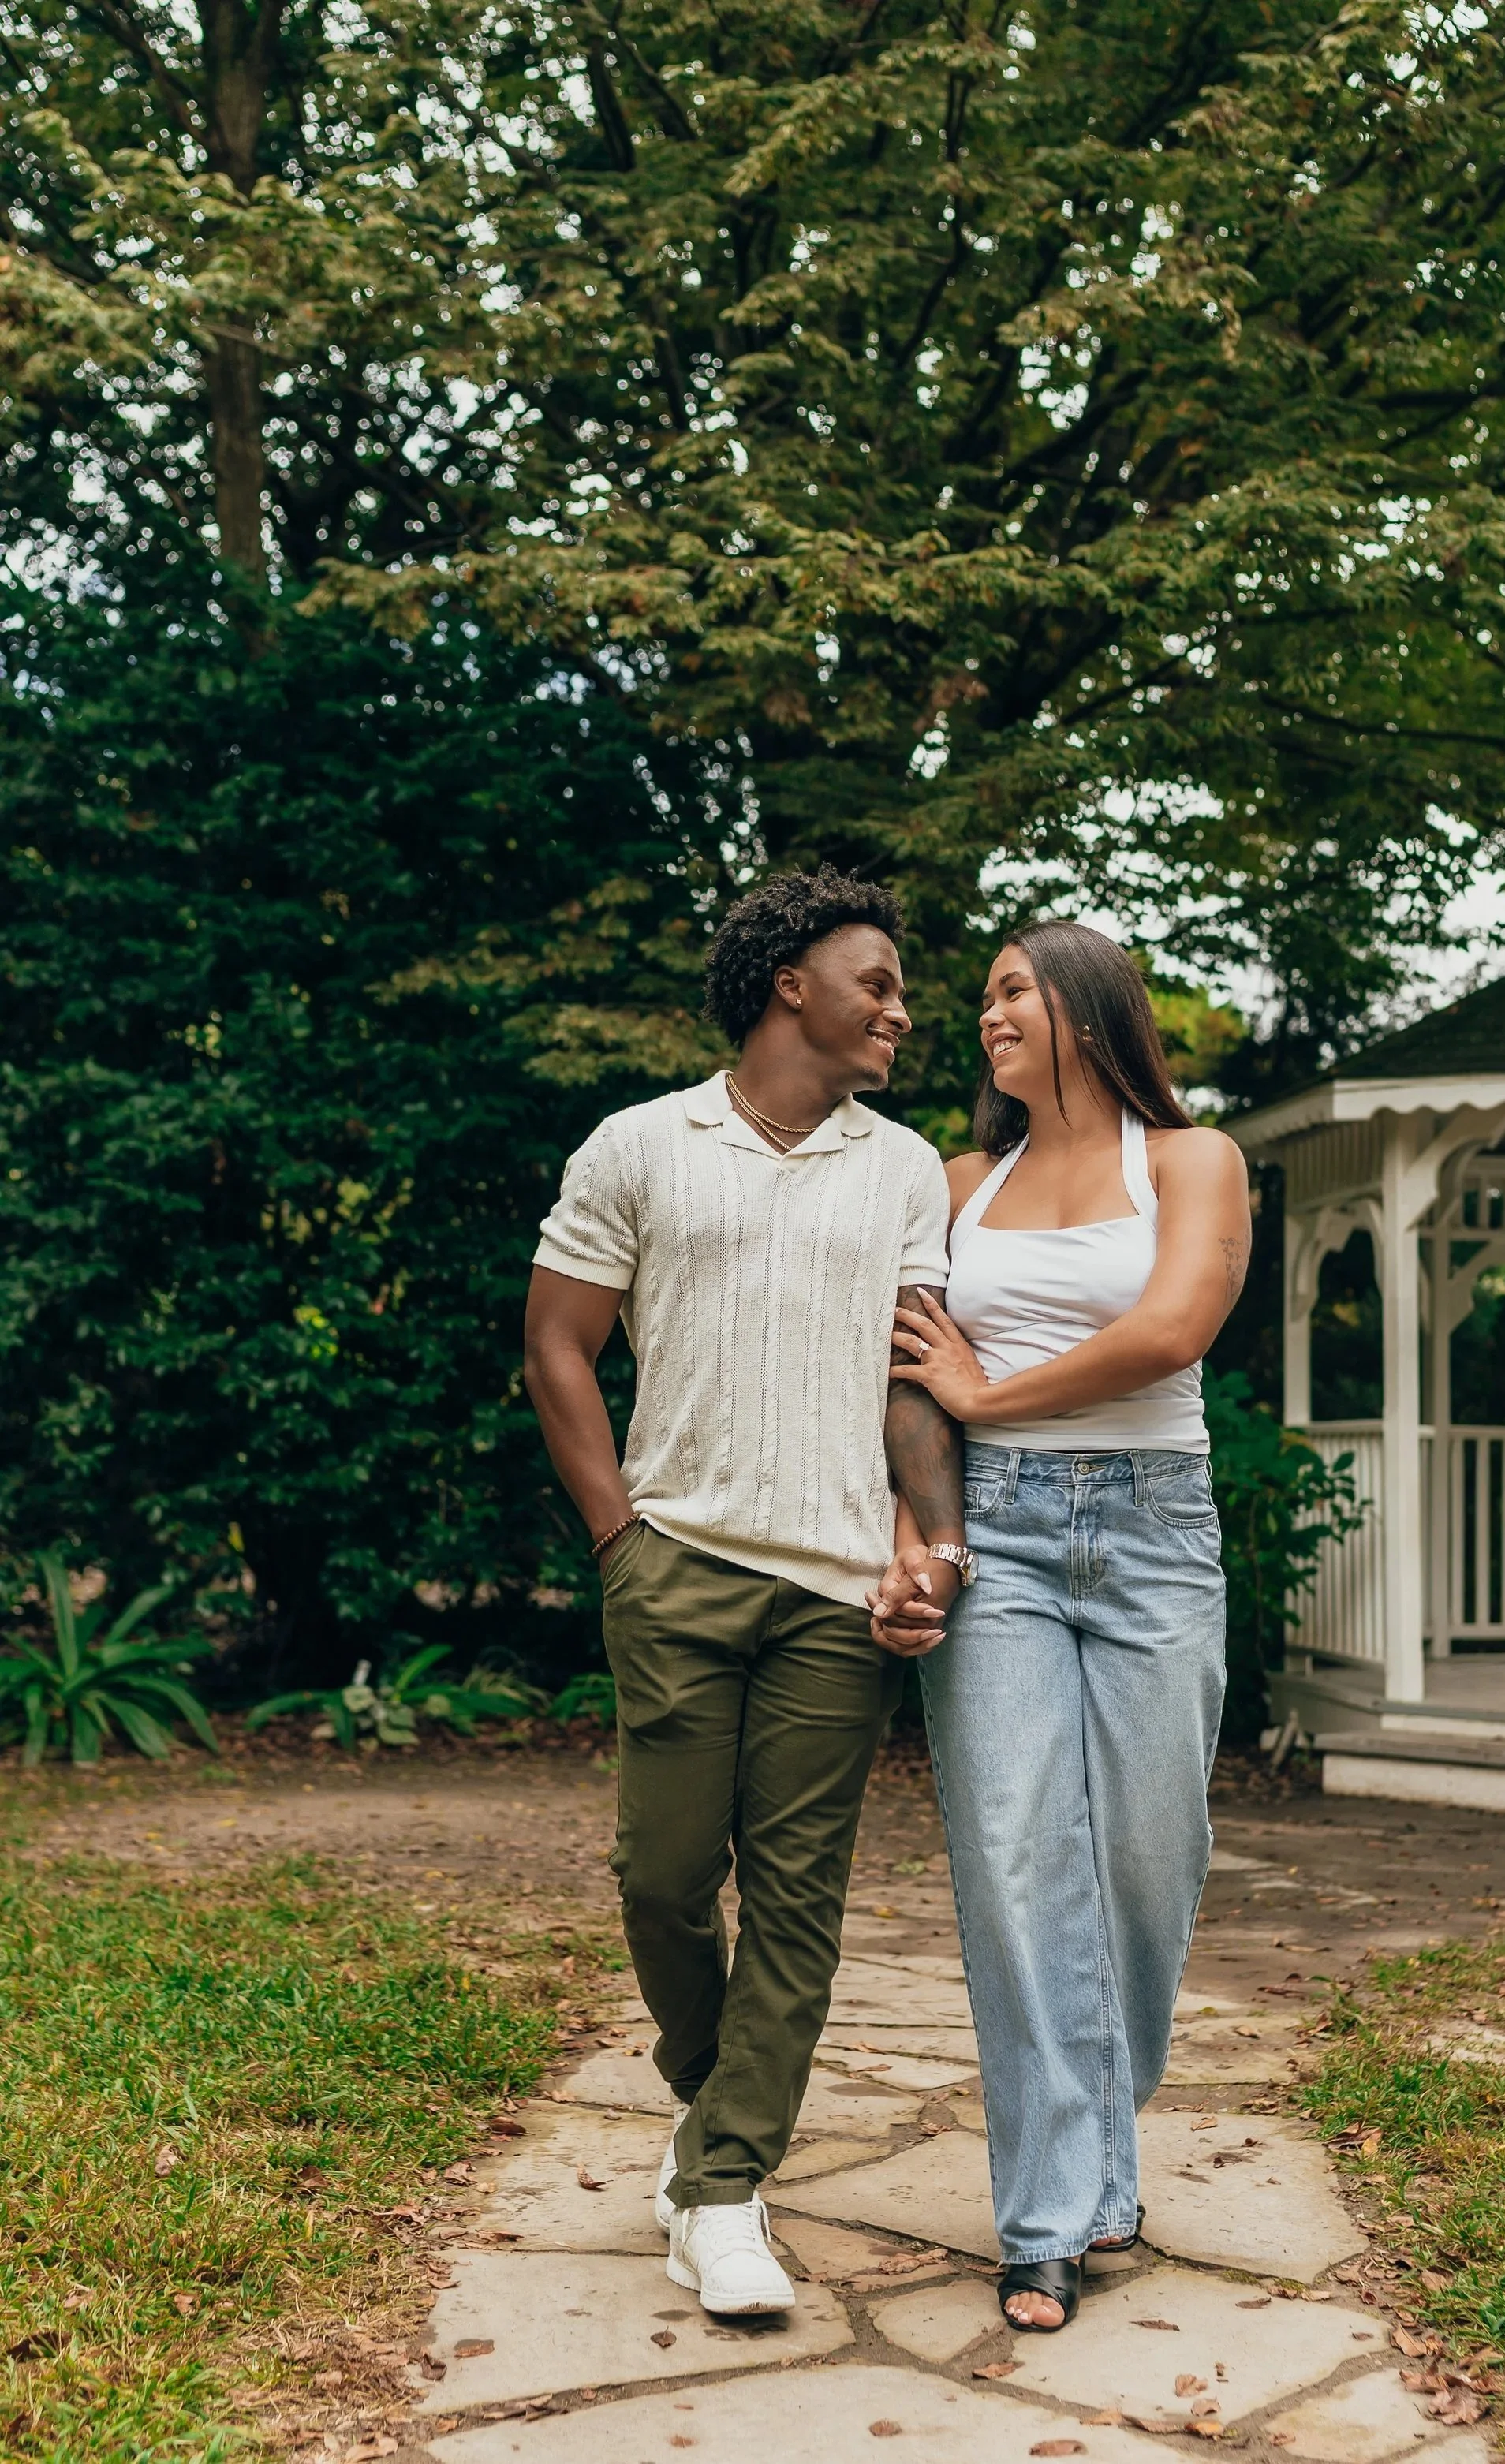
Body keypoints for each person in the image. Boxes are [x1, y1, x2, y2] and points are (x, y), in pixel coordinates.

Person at [523, 868, 966, 2319]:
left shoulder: (905, 1168)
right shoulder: (642, 1145)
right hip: (679, 1569)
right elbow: (558, 1345)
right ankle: (714, 2101)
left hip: (838, 1596)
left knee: (795, 1903)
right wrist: (619, 1539)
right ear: (791, 983)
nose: (900, 1011)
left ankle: (722, 2190)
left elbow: (914, 1374)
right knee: (659, 1878)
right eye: (877, 983)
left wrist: (926, 1540)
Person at [876, 920, 1252, 2333]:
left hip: (1156, 1530)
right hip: (999, 1537)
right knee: (1016, 1864)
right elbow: (910, 1378)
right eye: (982, 999)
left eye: (1014, 991)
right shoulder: (958, 1184)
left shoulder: (1193, 1162)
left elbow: (1172, 1330)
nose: (988, 1016)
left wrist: (989, 1395)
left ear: (1091, 1010)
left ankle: (1097, 2138)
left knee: (1152, 1858)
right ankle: (1046, 2220)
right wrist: (919, 1539)